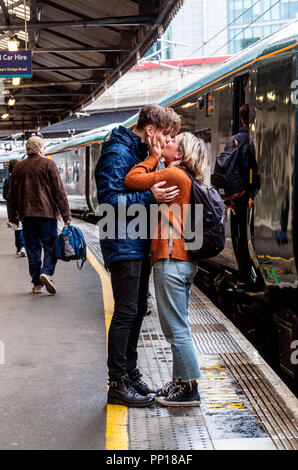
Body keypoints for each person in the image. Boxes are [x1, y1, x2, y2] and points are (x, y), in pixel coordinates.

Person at [95, 105, 181, 407]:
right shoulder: (117, 153)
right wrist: (150, 196)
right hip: (122, 241)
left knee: (136, 311)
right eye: (164, 134)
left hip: (137, 240)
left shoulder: (138, 152)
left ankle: (130, 374)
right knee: (125, 311)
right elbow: (108, 201)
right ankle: (117, 383)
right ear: (149, 130)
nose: (164, 140)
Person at [125, 132, 207, 407]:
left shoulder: (174, 175)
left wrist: (153, 156)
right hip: (182, 261)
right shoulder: (184, 177)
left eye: (173, 141)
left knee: (174, 328)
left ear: (180, 154)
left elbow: (132, 180)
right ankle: (179, 381)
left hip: (171, 258)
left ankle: (190, 388)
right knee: (178, 324)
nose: (167, 140)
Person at [6, 136, 71, 294]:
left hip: (27, 216)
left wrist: (13, 218)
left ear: (27, 150)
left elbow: (11, 196)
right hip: (46, 214)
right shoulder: (48, 164)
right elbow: (59, 191)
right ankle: (46, 271)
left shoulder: (18, 169)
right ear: (41, 149)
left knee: (32, 248)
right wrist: (66, 215)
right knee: (50, 245)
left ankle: (37, 283)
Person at [224, 104, 259, 291]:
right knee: (246, 236)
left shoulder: (233, 141)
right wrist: (251, 191)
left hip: (235, 197)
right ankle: (247, 276)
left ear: (241, 120)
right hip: (248, 197)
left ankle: (243, 277)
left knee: (239, 237)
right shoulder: (253, 140)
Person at [3, 159, 26, 257]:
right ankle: (23, 247)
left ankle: (20, 247)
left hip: (13, 208)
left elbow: (5, 195)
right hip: (24, 207)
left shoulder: (8, 180)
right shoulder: (23, 179)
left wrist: (11, 197)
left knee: (17, 228)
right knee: (24, 227)